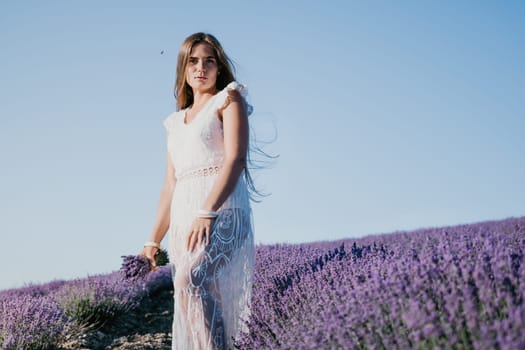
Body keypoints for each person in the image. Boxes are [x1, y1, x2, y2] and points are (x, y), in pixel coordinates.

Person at [141, 32, 255, 349]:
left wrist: (207, 212)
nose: (201, 68)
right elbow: (170, 184)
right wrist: (153, 239)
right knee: (194, 294)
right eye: (193, 61)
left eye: (209, 61)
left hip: (223, 212)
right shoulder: (175, 123)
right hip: (184, 222)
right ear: (183, 69)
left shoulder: (229, 99)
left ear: (219, 68)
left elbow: (235, 159)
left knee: (191, 281)